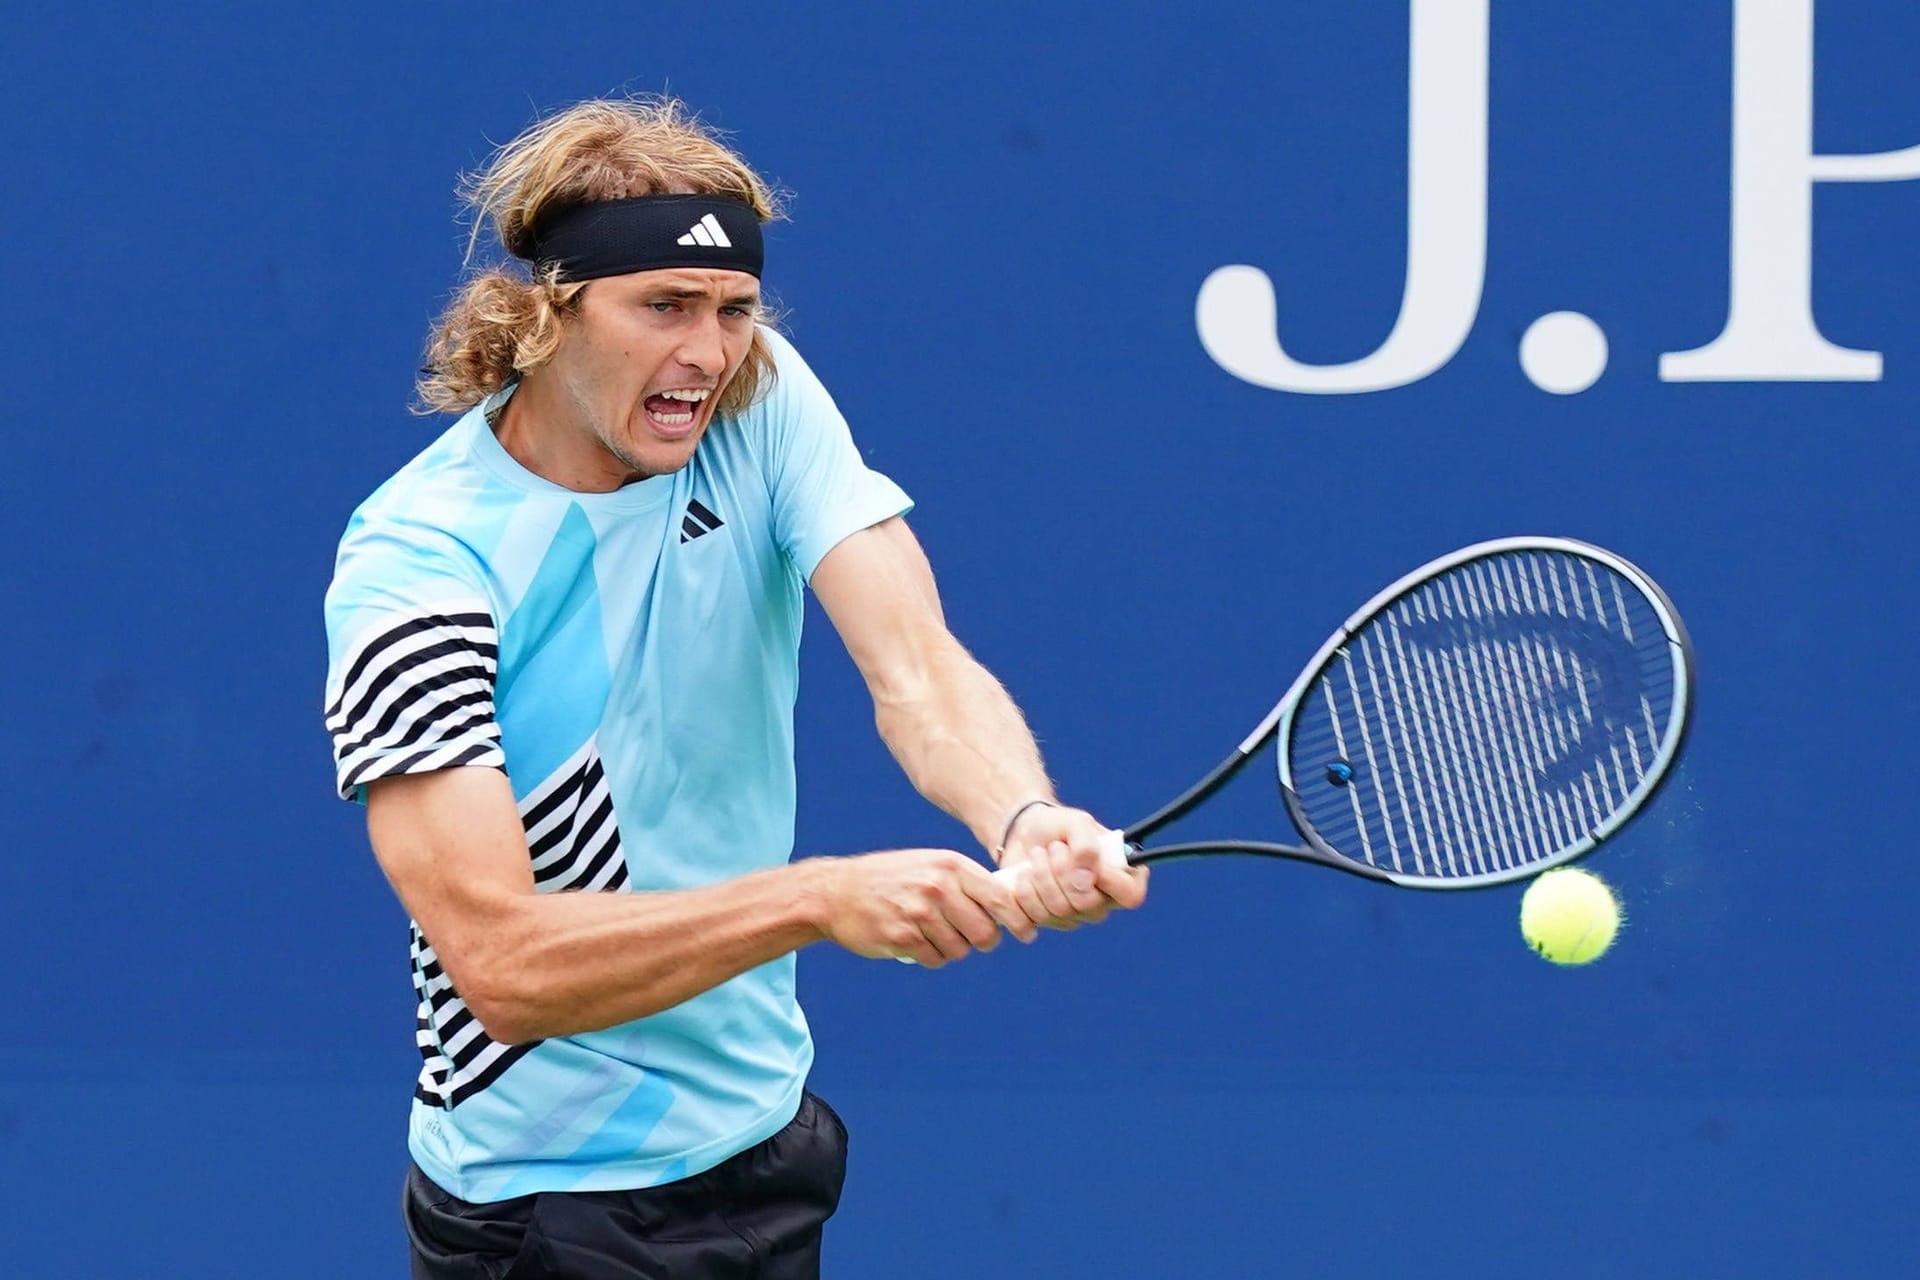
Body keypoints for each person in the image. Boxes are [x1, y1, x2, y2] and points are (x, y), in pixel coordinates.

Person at [322, 96, 1147, 1280]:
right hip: (551, 1207)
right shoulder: (420, 564)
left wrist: (1022, 817)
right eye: (663, 305)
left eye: (734, 309)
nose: (706, 352)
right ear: (545, 316)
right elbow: (502, 966)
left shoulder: (755, 400)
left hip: (762, 1142)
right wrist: (814, 898)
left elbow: (915, 665)